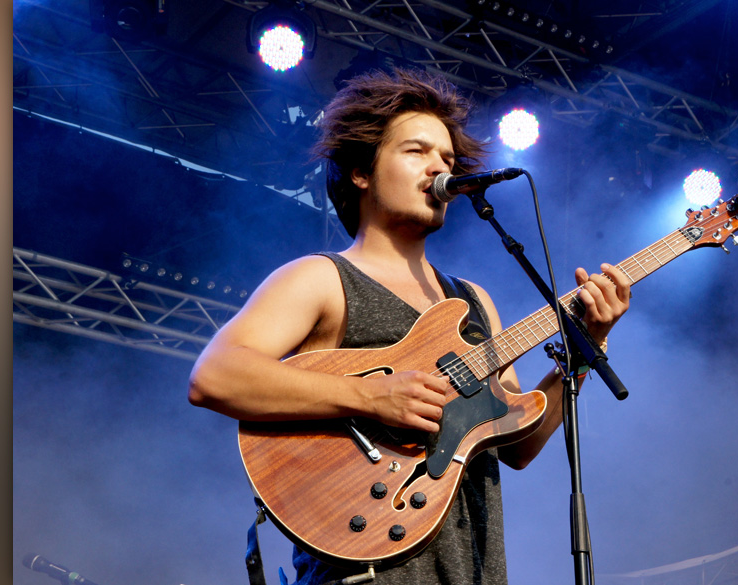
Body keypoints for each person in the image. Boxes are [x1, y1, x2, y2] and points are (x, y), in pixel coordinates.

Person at [188, 68, 631, 585]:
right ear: (361, 172)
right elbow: (215, 376)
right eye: (416, 151)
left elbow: (518, 446)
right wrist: (372, 397)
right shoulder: (321, 278)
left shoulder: (473, 301)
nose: (439, 168)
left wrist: (586, 346)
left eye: (447, 159)